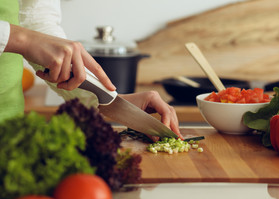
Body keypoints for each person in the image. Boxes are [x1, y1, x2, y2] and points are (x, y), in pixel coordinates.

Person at [0, 0, 182, 138]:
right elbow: (26, 37)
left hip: (9, 126)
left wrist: (107, 99)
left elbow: (34, 18)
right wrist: (21, 39)